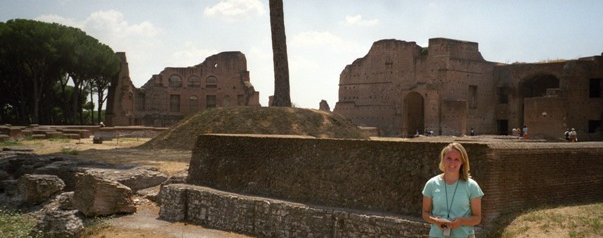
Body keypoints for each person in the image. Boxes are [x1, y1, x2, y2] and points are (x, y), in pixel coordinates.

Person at [422, 142, 484, 238]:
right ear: (443, 159)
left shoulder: (472, 186)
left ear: (462, 162)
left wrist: (461, 221)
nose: (452, 163)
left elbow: (477, 218)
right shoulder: (431, 184)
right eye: (449, 158)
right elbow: (425, 213)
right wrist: (436, 221)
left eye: (456, 159)